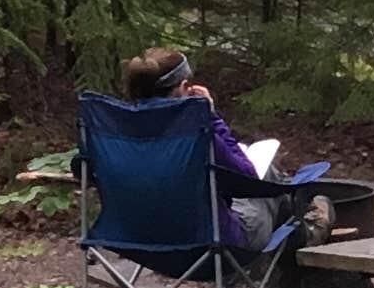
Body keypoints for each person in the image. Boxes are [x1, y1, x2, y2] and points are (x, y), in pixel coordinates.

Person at [118, 47, 293, 242]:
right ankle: (306, 232)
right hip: (210, 242)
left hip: (141, 240)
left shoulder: (115, 131)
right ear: (184, 86)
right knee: (267, 176)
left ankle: (305, 227)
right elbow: (247, 177)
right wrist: (211, 117)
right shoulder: (195, 131)